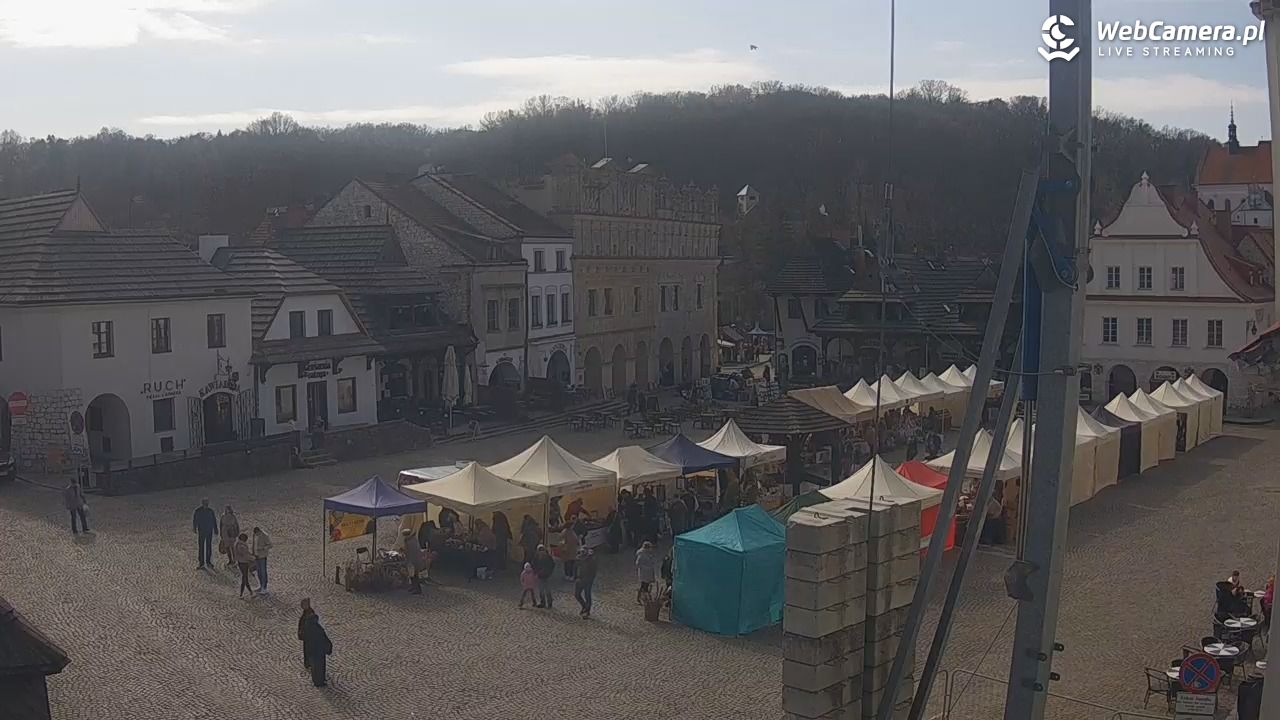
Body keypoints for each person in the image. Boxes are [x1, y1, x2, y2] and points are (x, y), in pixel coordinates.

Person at [302, 611, 333, 687]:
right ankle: (319, 681)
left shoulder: (307, 627)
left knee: (315, 667)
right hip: (318, 651)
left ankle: (317, 680)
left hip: (312, 651)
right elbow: (322, 638)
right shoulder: (316, 628)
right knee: (319, 667)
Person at [192, 499, 218, 569]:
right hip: (202, 531)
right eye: (205, 503)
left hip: (209, 531)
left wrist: (215, 529)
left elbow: (214, 520)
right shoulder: (198, 511)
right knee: (201, 547)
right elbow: (195, 520)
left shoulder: (210, 511)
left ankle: (208, 562)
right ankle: (201, 562)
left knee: (208, 546)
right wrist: (194, 528)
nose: (206, 505)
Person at [400, 528, 426, 594]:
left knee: (414, 575)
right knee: (413, 575)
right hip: (415, 560)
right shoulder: (413, 539)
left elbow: (409, 552)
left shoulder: (408, 541)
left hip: (413, 561)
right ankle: (414, 587)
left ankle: (417, 589)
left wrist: (403, 551)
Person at [575, 548, 598, 618]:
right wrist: (576, 577)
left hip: (588, 581)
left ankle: (587, 611)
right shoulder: (578, 559)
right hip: (580, 579)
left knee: (587, 595)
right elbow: (575, 568)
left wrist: (588, 580)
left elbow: (593, 573)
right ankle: (584, 606)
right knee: (577, 595)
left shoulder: (591, 561)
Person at [635, 540, 659, 605]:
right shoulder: (642, 554)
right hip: (644, 573)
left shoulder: (648, 553)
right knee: (644, 586)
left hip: (648, 573)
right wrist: (645, 567)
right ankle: (643, 599)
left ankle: (643, 598)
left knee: (645, 586)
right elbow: (638, 564)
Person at [532, 544, 555, 608]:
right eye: (540, 550)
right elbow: (534, 564)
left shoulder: (548, 557)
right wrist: (535, 572)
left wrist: (549, 572)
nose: (541, 552)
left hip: (547, 576)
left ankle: (549, 603)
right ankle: (543, 603)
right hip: (540, 576)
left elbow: (552, 565)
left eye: (542, 550)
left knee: (547, 590)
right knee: (541, 590)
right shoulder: (536, 557)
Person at [251, 526, 273, 592]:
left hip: (262, 556)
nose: (256, 535)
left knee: (263, 572)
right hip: (256, 556)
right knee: (259, 572)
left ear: (259, 531)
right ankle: (260, 585)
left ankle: (264, 587)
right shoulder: (254, 535)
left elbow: (270, 545)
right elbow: (254, 544)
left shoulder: (265, 535)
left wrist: (262, 548)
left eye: (257, 533)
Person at [297, 599, 316, 669]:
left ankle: (309, 662)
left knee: (308, 650)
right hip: (306, 635)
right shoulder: (306, 612)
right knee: (306, 649)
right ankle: (307, 662)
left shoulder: (310, 613)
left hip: (308, 635)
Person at [233, 532, 254, 598]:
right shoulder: (241, 546)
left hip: (241, 562)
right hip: (243, 563)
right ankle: (242, 594)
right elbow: (246, 555)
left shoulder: (239, 544)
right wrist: (254, 558)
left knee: (245, 578)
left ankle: (250, 592)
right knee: (244, 578)